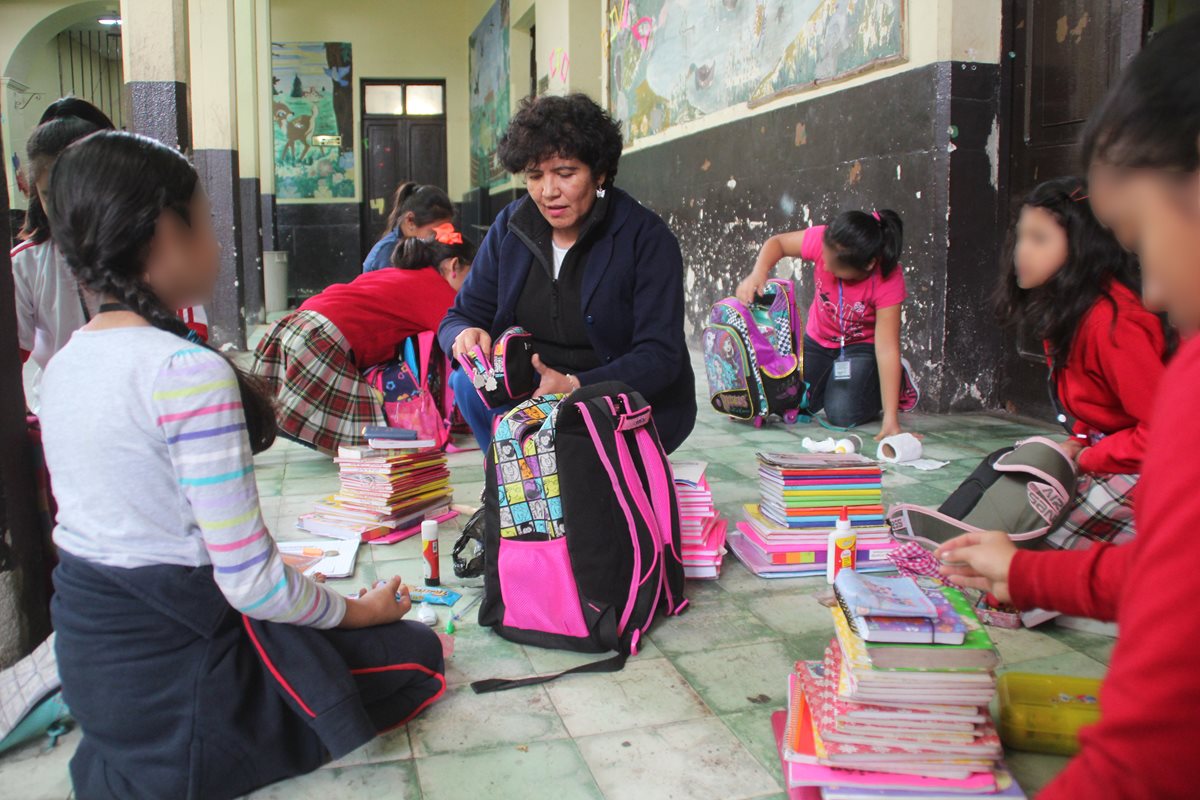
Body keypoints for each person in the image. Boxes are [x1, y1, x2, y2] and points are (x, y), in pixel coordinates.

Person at [40, 131, 444, 799]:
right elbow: (251, 588)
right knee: (415, 656)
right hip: (181, 682)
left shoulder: (64, 365)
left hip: (95, 675)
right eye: (204, 223)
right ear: (163, 233)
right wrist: (361, 612)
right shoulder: (186, 373)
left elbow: (143, 537)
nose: (218, 244)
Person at [937, 16, 1200, 799]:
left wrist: (1087, 459)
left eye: (1144, 235)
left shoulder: (1141, 334)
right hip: (1101, 467)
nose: (1152, 289)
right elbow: (1168, 581)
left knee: (1053, 498)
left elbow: (1147, 759)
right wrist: (1031, 574)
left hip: (1121, 463)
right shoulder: (1061, 320)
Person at [439, 93, 696, 452]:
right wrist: (463, 335)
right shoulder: (511, 229)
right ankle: (507, 487)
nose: (547, 192)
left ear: (600, 173)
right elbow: (459, 316)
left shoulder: (646, 239)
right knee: (466, 384)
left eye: (565, 173)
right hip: (533, 392)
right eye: (534, 176)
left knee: (580, 493)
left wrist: (576, 386)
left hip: (615, 401)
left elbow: (660, 357)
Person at [994, 176, 1169, 549]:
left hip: (1162, 468)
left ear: (1081, 248)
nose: (1021, 252)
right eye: (1021, 236)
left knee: (1046, 542)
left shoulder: (1114, 324)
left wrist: (1091, 456)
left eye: (1040, 239)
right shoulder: (1066, 311)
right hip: (1115, 450)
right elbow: (1093, 404)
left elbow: (1163, 434)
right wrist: (1078, 441)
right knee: (1017, 475)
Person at [13, 98, 207, 409]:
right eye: (52, 195)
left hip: (149, 408)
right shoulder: (24, 265)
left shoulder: (154, 246)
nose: (70, 209)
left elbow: (190, 337)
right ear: (35, 192)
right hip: (62, 415)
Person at [255, 225, 474, 454]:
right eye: (472, 276)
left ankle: (295, 424)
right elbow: (462, 338)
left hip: (296, 324)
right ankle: (310, 434)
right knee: (366, 435)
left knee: (321, 417)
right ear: (454, 266)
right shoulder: (437, 288)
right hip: (322, 338)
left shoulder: (399, 273)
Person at [738, 210, 916, 437]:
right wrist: (758, 273)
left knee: (842, 413)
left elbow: (887, 347)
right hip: (819, 339)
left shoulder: (887, 279)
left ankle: (894, 383)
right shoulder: (826, 240)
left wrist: (891, 421)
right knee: (792, 401)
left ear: (868, 265)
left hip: (861, 346)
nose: (827, 268)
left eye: (837, 267)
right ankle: (845, 383)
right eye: (825, 258)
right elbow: (778, 243)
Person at [362, 182, 455, 272]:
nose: (441, 241)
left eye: (445, 234)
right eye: (434, 234)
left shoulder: (423, 249)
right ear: (410, 221)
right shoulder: (388, 253)